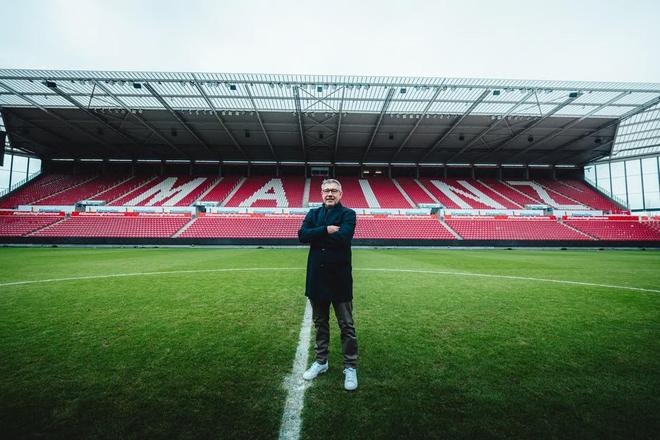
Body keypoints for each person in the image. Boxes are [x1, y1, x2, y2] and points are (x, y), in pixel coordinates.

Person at [298, 178, 358, 391]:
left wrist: (317, 235)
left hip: (340, 278)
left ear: (340, 194)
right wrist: (326, 230)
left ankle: (350, 366)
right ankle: (321, 362)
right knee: (320, 323)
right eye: (326, 190)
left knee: (346, 325)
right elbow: (302, 235)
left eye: (333, 190)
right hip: (317, 278)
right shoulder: (313, 214)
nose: (329, 193)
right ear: (321, 193)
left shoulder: (349, 214)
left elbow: (343, 238)